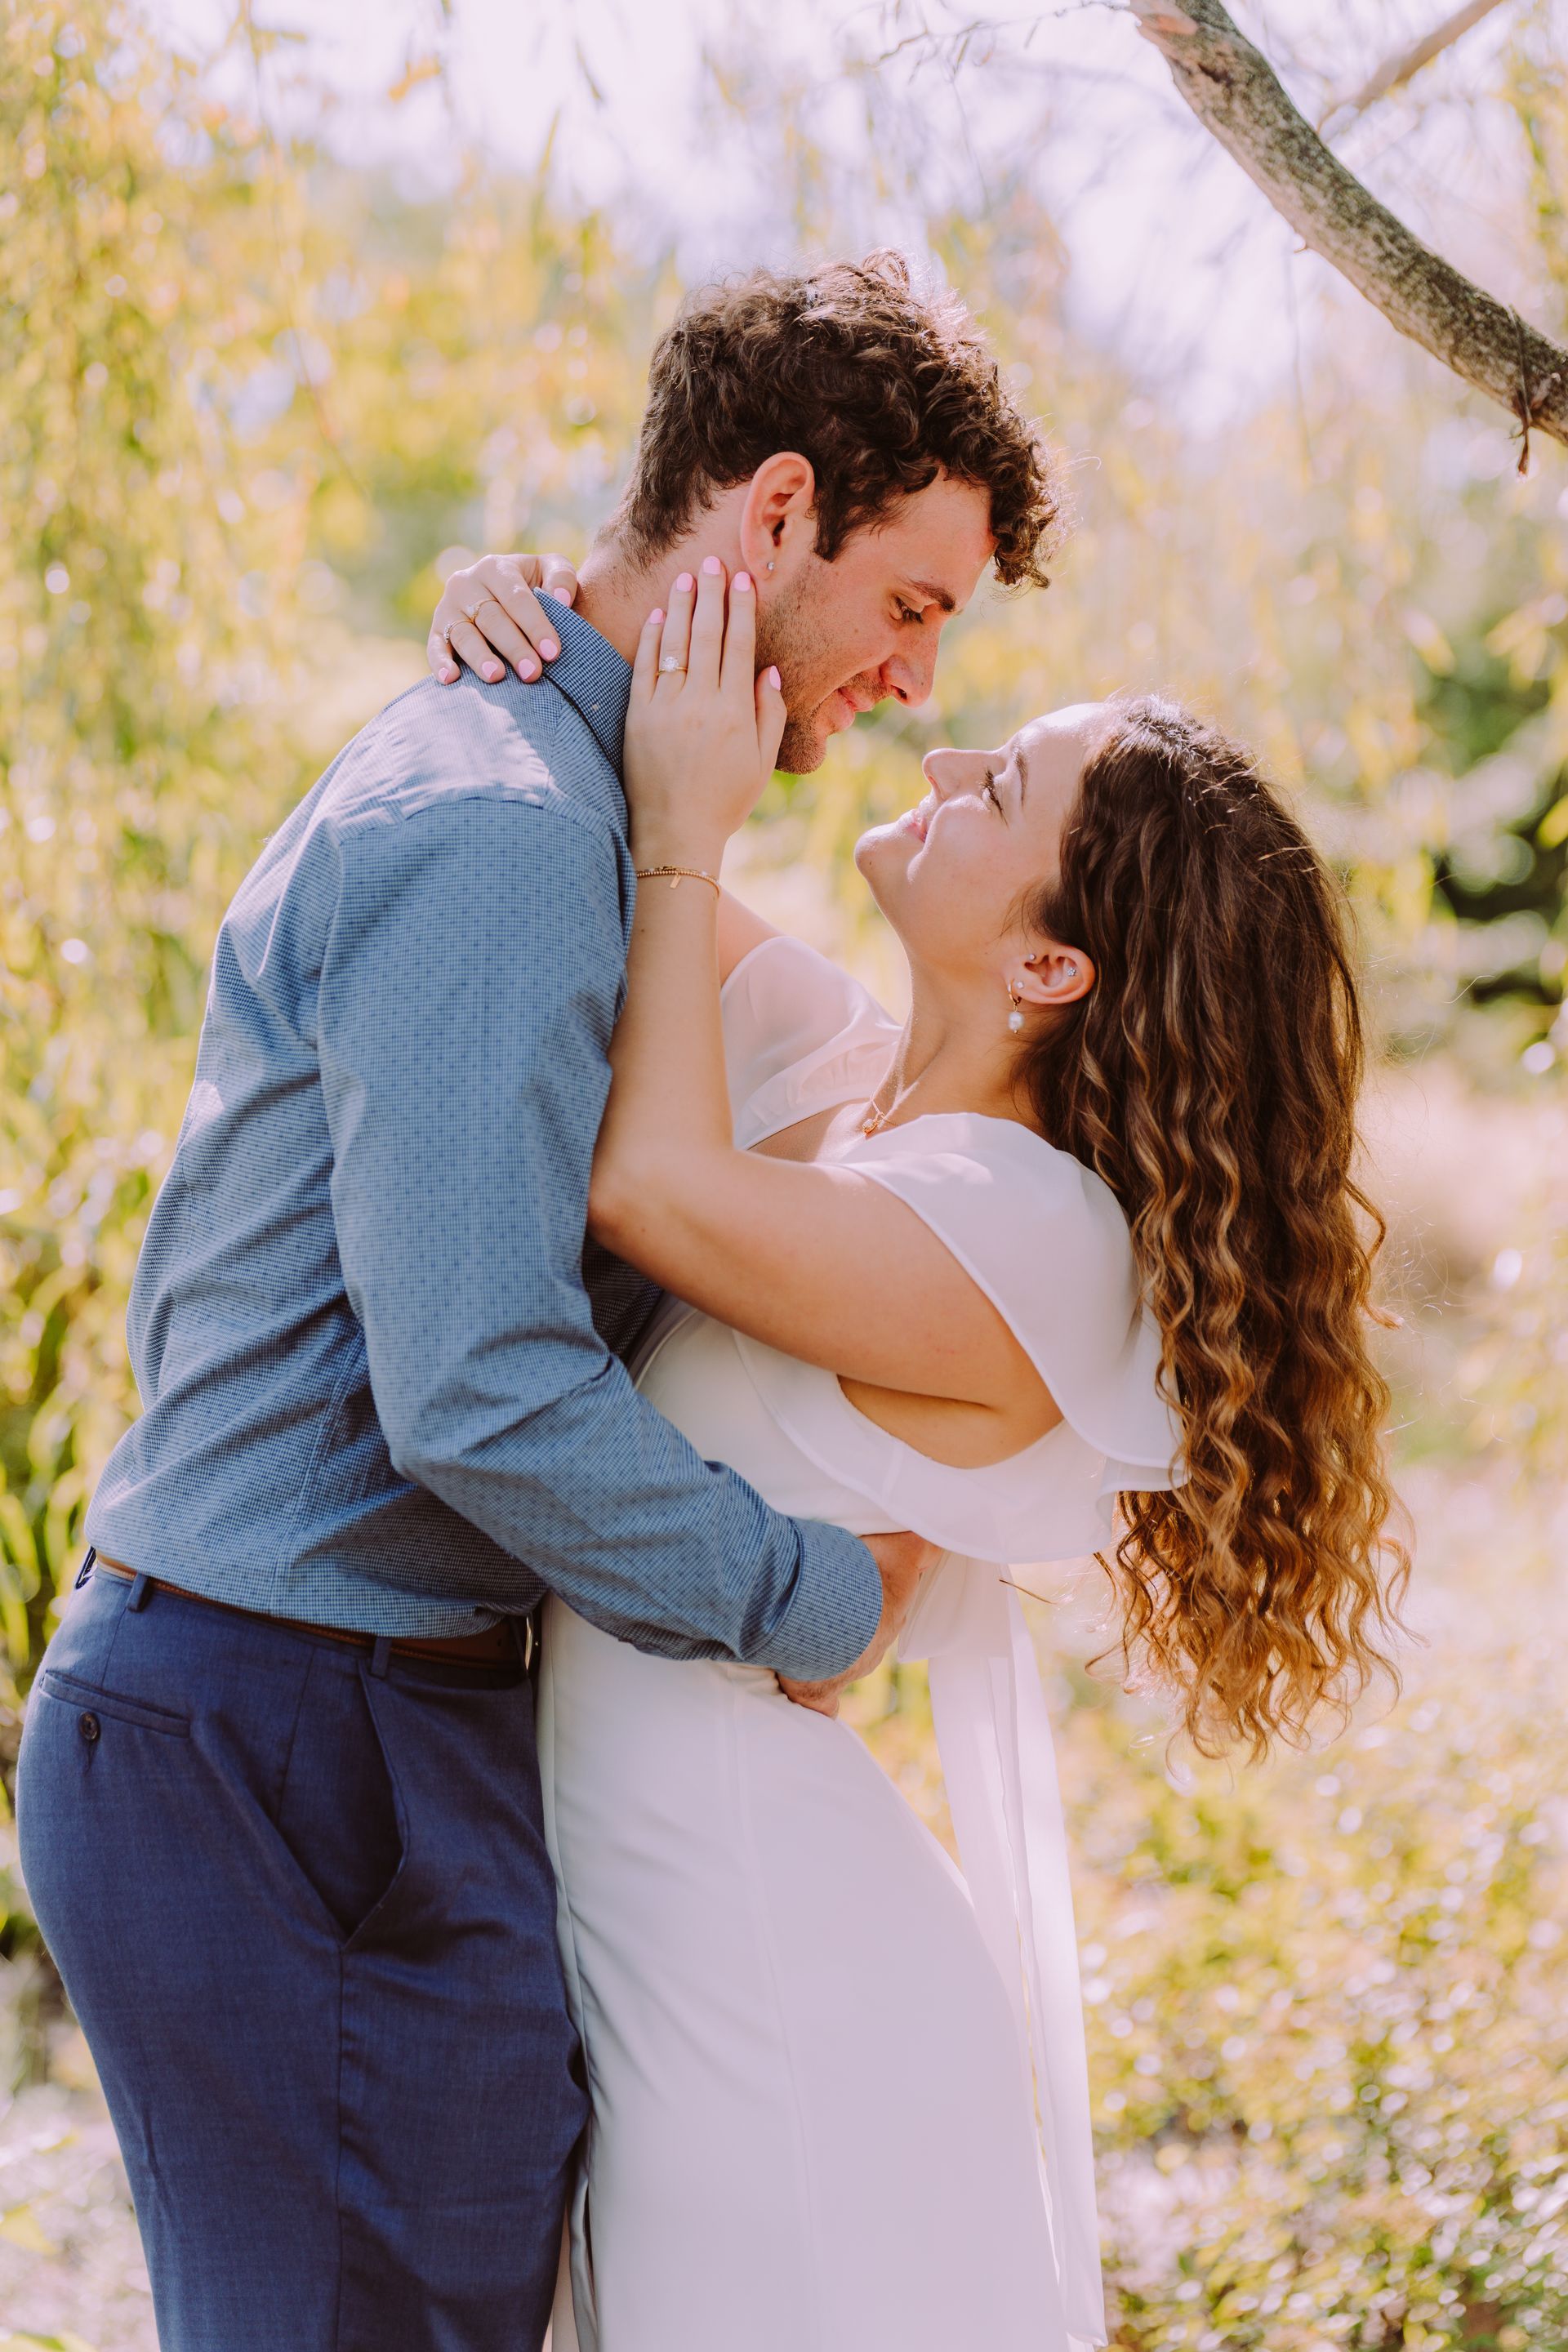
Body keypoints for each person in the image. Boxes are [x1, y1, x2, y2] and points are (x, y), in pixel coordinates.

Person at [16, 254, 1063, 2352]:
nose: (918, 680)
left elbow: (842, 1119)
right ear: (773, 517)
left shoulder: (612, 820)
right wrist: (820, 1596)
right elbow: (481, 1391)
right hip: (270, 1718)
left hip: (399, 1709)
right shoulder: (501, 827)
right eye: (913, 605)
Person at [425, 557, 1407, 2352]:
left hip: (776, 1986)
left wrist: (682, 840)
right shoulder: (878, 1109)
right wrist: (511, 613)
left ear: (1049, 959)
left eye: (1003, 787)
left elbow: (649, 1181)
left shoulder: (1027, 1229)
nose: (943, 758)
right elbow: (599, 784)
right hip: (693, 1936)